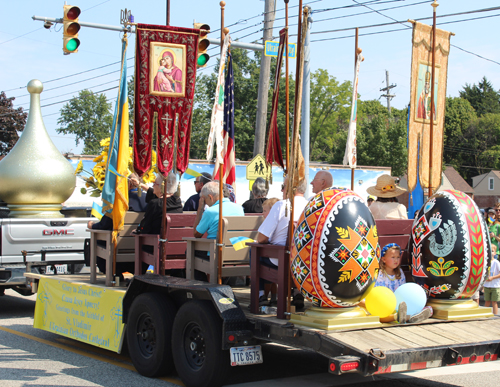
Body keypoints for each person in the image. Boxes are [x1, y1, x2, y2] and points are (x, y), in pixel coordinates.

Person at [254, 177, 309, 308]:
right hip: (303, 261)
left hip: (281, 259)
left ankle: (260, 295)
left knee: (254, 251)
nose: (282, 190)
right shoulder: (310, 206)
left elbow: (262, 238)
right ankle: (297, 292)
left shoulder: (282, 205)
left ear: (291, 188)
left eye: (283, 186)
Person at [372, 243, 433, 323]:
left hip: (399, 305)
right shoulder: (379, 274)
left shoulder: (399, 273)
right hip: (385, 304)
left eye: (398, 257)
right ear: (383, 259)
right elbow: (377, 292)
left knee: (428, 308)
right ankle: (402, 317)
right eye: (393, 257)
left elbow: (403, 290)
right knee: (379, 314)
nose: (396, 260)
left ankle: (410, 316)